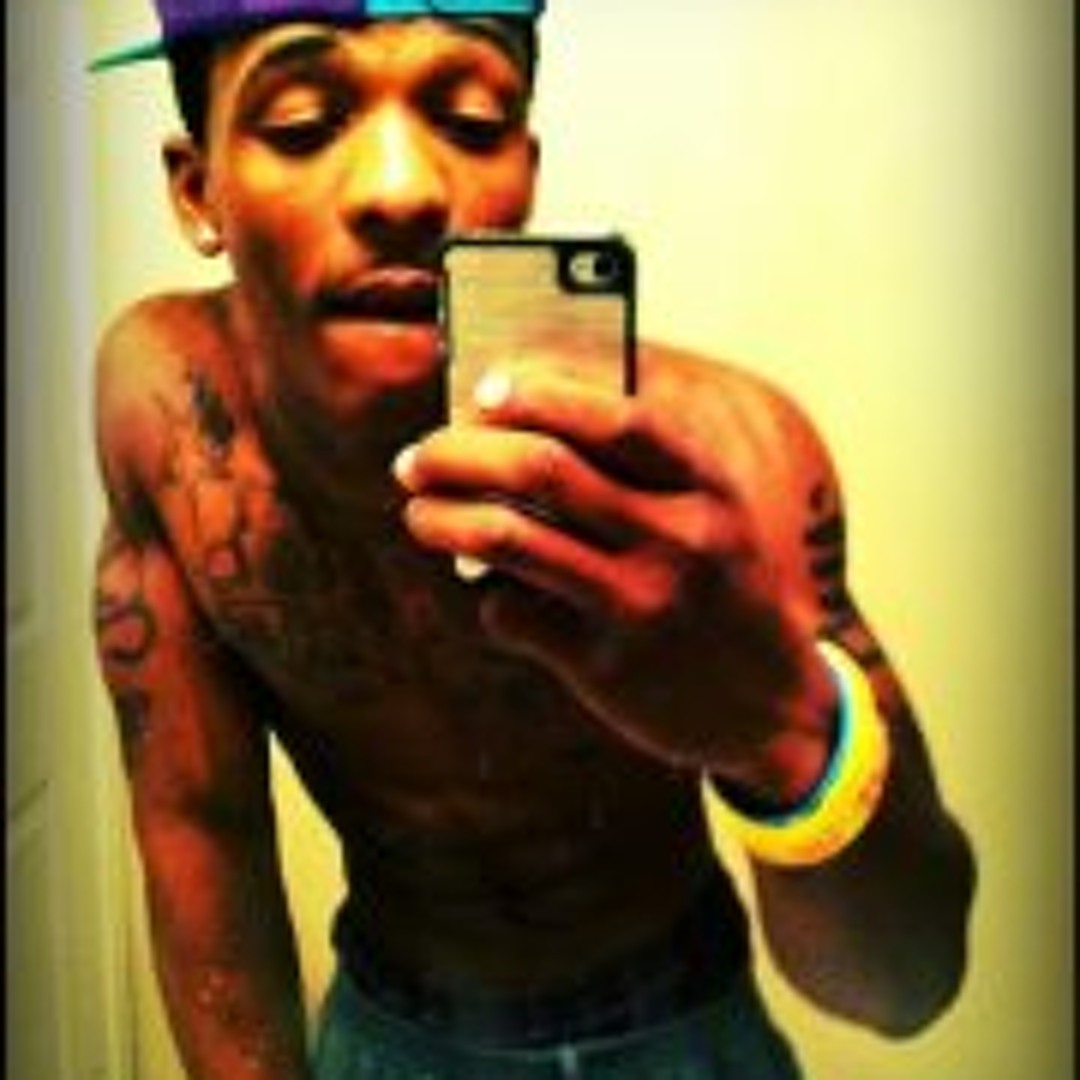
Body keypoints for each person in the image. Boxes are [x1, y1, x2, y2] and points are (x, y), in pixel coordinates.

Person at [91, 2, 977, 1077]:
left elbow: (906, 983)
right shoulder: (176, 423)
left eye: (470, 120)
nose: (401, 188)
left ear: (526, 170)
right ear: (198, 190)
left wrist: (781, 724)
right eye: (304, 124)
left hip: (681, 1024)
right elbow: (202, 829)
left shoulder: (729, 461)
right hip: (388, 1028)